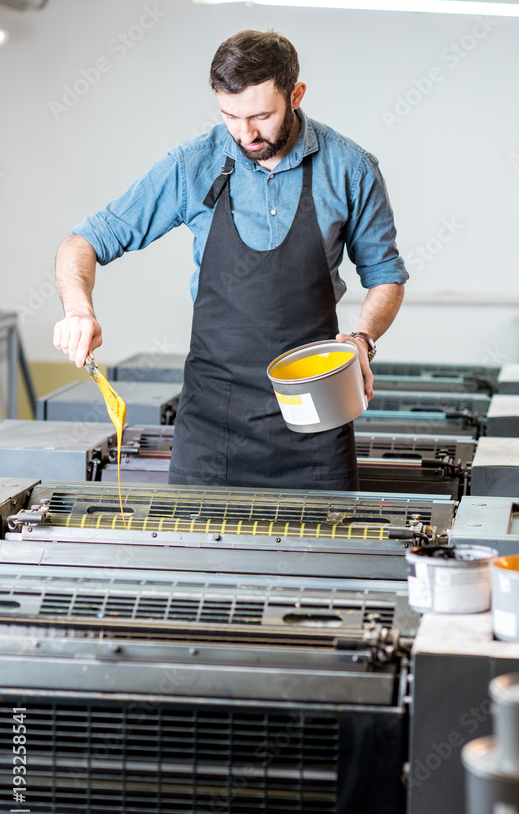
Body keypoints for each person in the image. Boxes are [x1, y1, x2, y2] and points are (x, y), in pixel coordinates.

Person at [54, 29, 408, 490]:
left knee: (322, 561)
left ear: (296, 95)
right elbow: (81, 243)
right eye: (230, 117)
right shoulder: (191, 165)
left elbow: (386, 277)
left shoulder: (350, 168)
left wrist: (363, 339)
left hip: (316, 423)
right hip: (210, 431)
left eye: (261, 116)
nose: (245, 134)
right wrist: (78, 310)